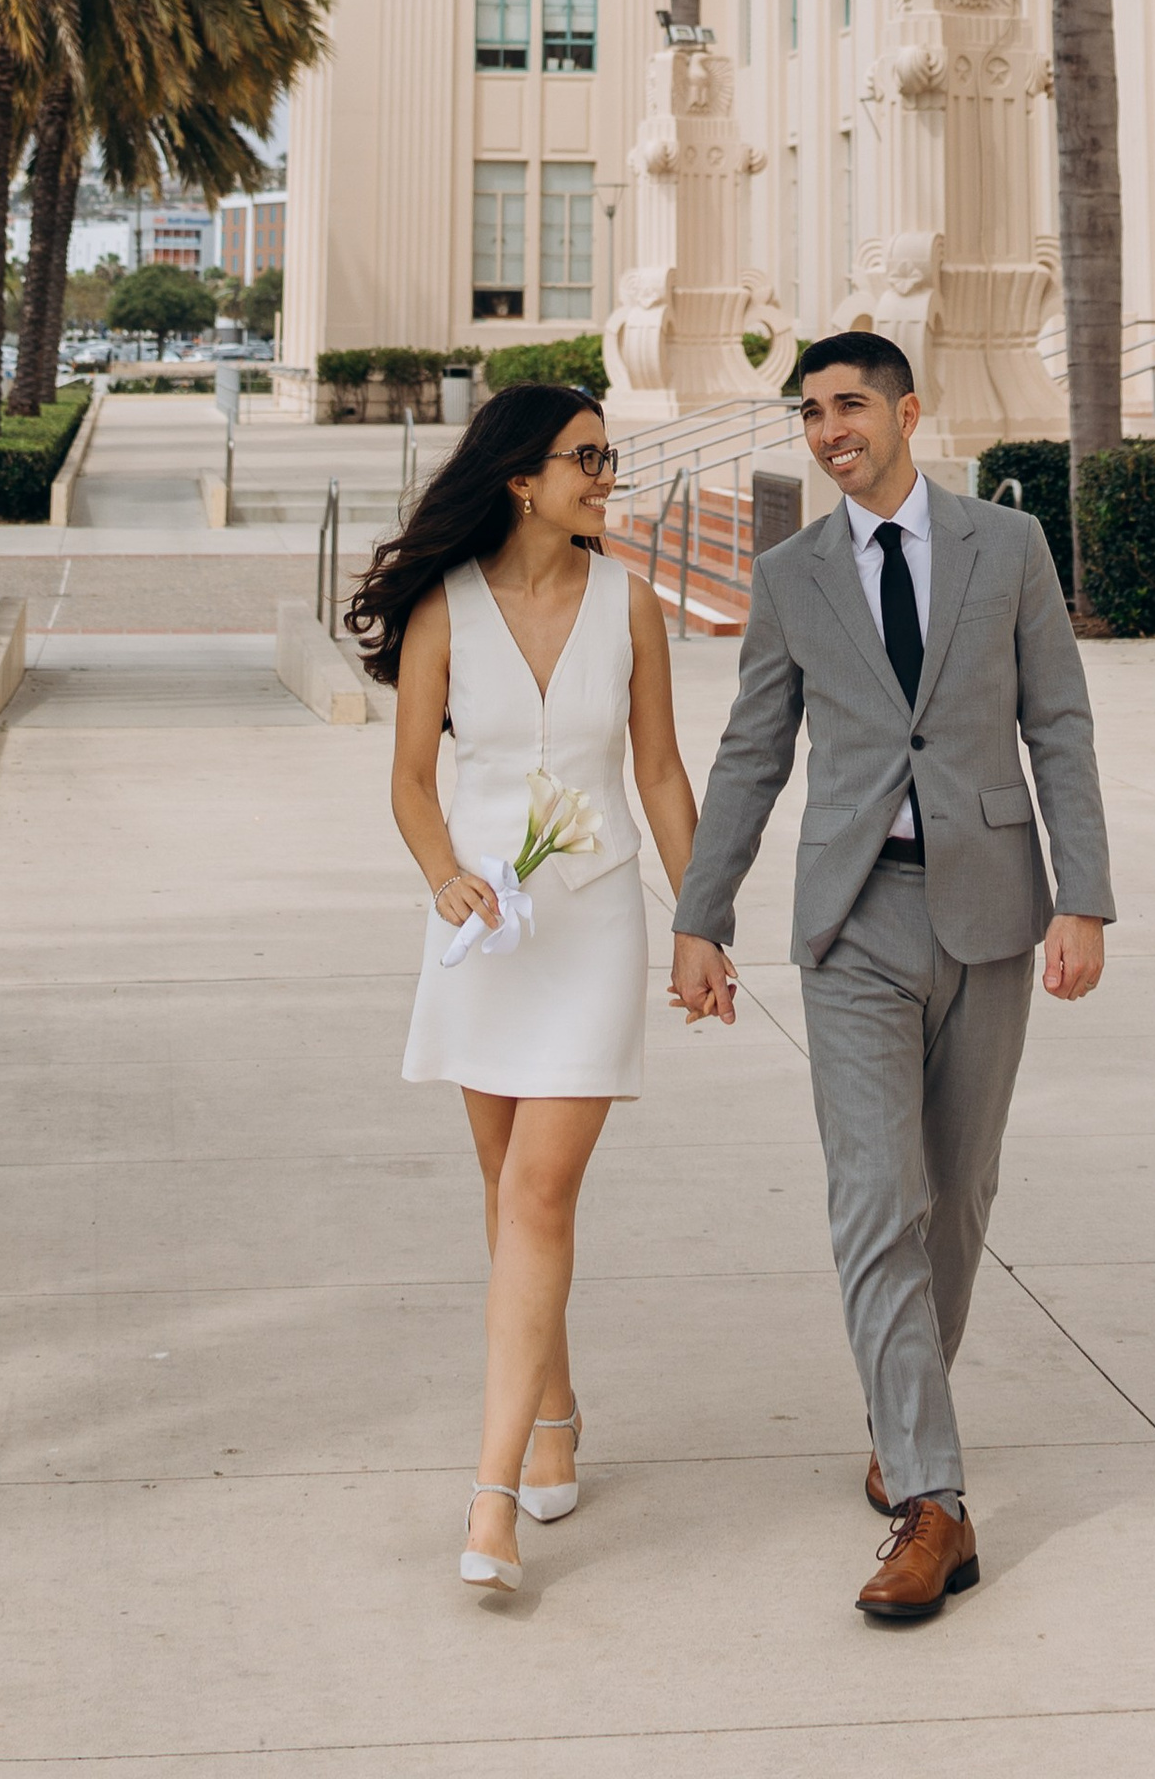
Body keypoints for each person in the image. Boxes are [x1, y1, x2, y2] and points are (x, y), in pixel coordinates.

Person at [671, 330, 1113, 1622]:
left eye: (849, 405)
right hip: (852, 921)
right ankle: (932, 1501)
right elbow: (753, 754)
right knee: (877, 1196)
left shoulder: (1006, 546)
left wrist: (1083, 895)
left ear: (908, 411)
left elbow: (1058, 724)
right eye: (810, 413)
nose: (829, 431)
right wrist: (702, 916)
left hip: (990, 909)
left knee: (957, 1197)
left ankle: (899, 1415)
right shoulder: (791, 575)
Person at [349, 382, 701, 1599]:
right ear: (520, 480)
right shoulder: (444, 608)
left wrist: (698, 919)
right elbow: (411, 781)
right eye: (585, 458)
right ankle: (553, 1409)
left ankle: (489, 1496)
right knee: (508, 1194)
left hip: (593, 925)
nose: (606, 476)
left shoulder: (629, 603)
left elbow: (660, 773)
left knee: (540, 1192)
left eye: (608, 457)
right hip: (487, 933)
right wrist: (442, 876)